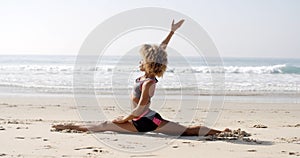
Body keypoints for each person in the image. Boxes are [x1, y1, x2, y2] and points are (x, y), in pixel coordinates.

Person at [52, 19, 230, 136]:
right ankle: (221, 132)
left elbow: (140, 108)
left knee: (105, 125)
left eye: (143, 60)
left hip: (144, 121)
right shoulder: (146, 77)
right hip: (152, 119)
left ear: (148, 64)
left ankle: (69, 126)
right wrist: (172, 32)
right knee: (185, 131)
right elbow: (160, 51)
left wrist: (124, 119)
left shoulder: (148, 83)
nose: (140, 61)